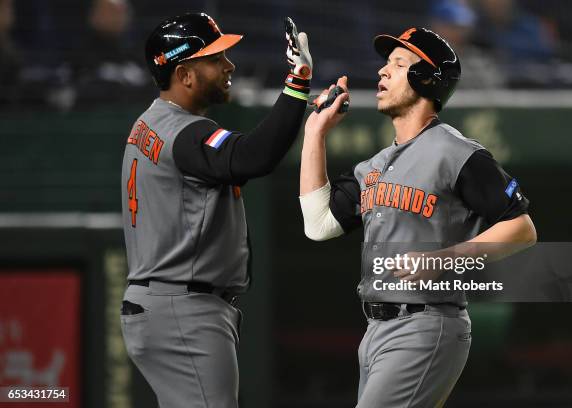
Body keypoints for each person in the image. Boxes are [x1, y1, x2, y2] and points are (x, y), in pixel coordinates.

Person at [299, 27, 537, 407]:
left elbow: (522, 229)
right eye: (385, 64)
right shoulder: (375, 166)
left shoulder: (457, 153)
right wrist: (315, 133)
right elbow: (319, 224)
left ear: (426, 78)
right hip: (376, 331)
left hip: (427, 322)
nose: (382, 72)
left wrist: (444, 259)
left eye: (397, 64)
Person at [119, 13, 312, 408]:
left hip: (166, 302)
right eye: (215, 58)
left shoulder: (153, 123)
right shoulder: (183, 131)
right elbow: (252, 157)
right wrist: (297, 85)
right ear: (185, 74)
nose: (230, 66)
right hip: (182, 308)